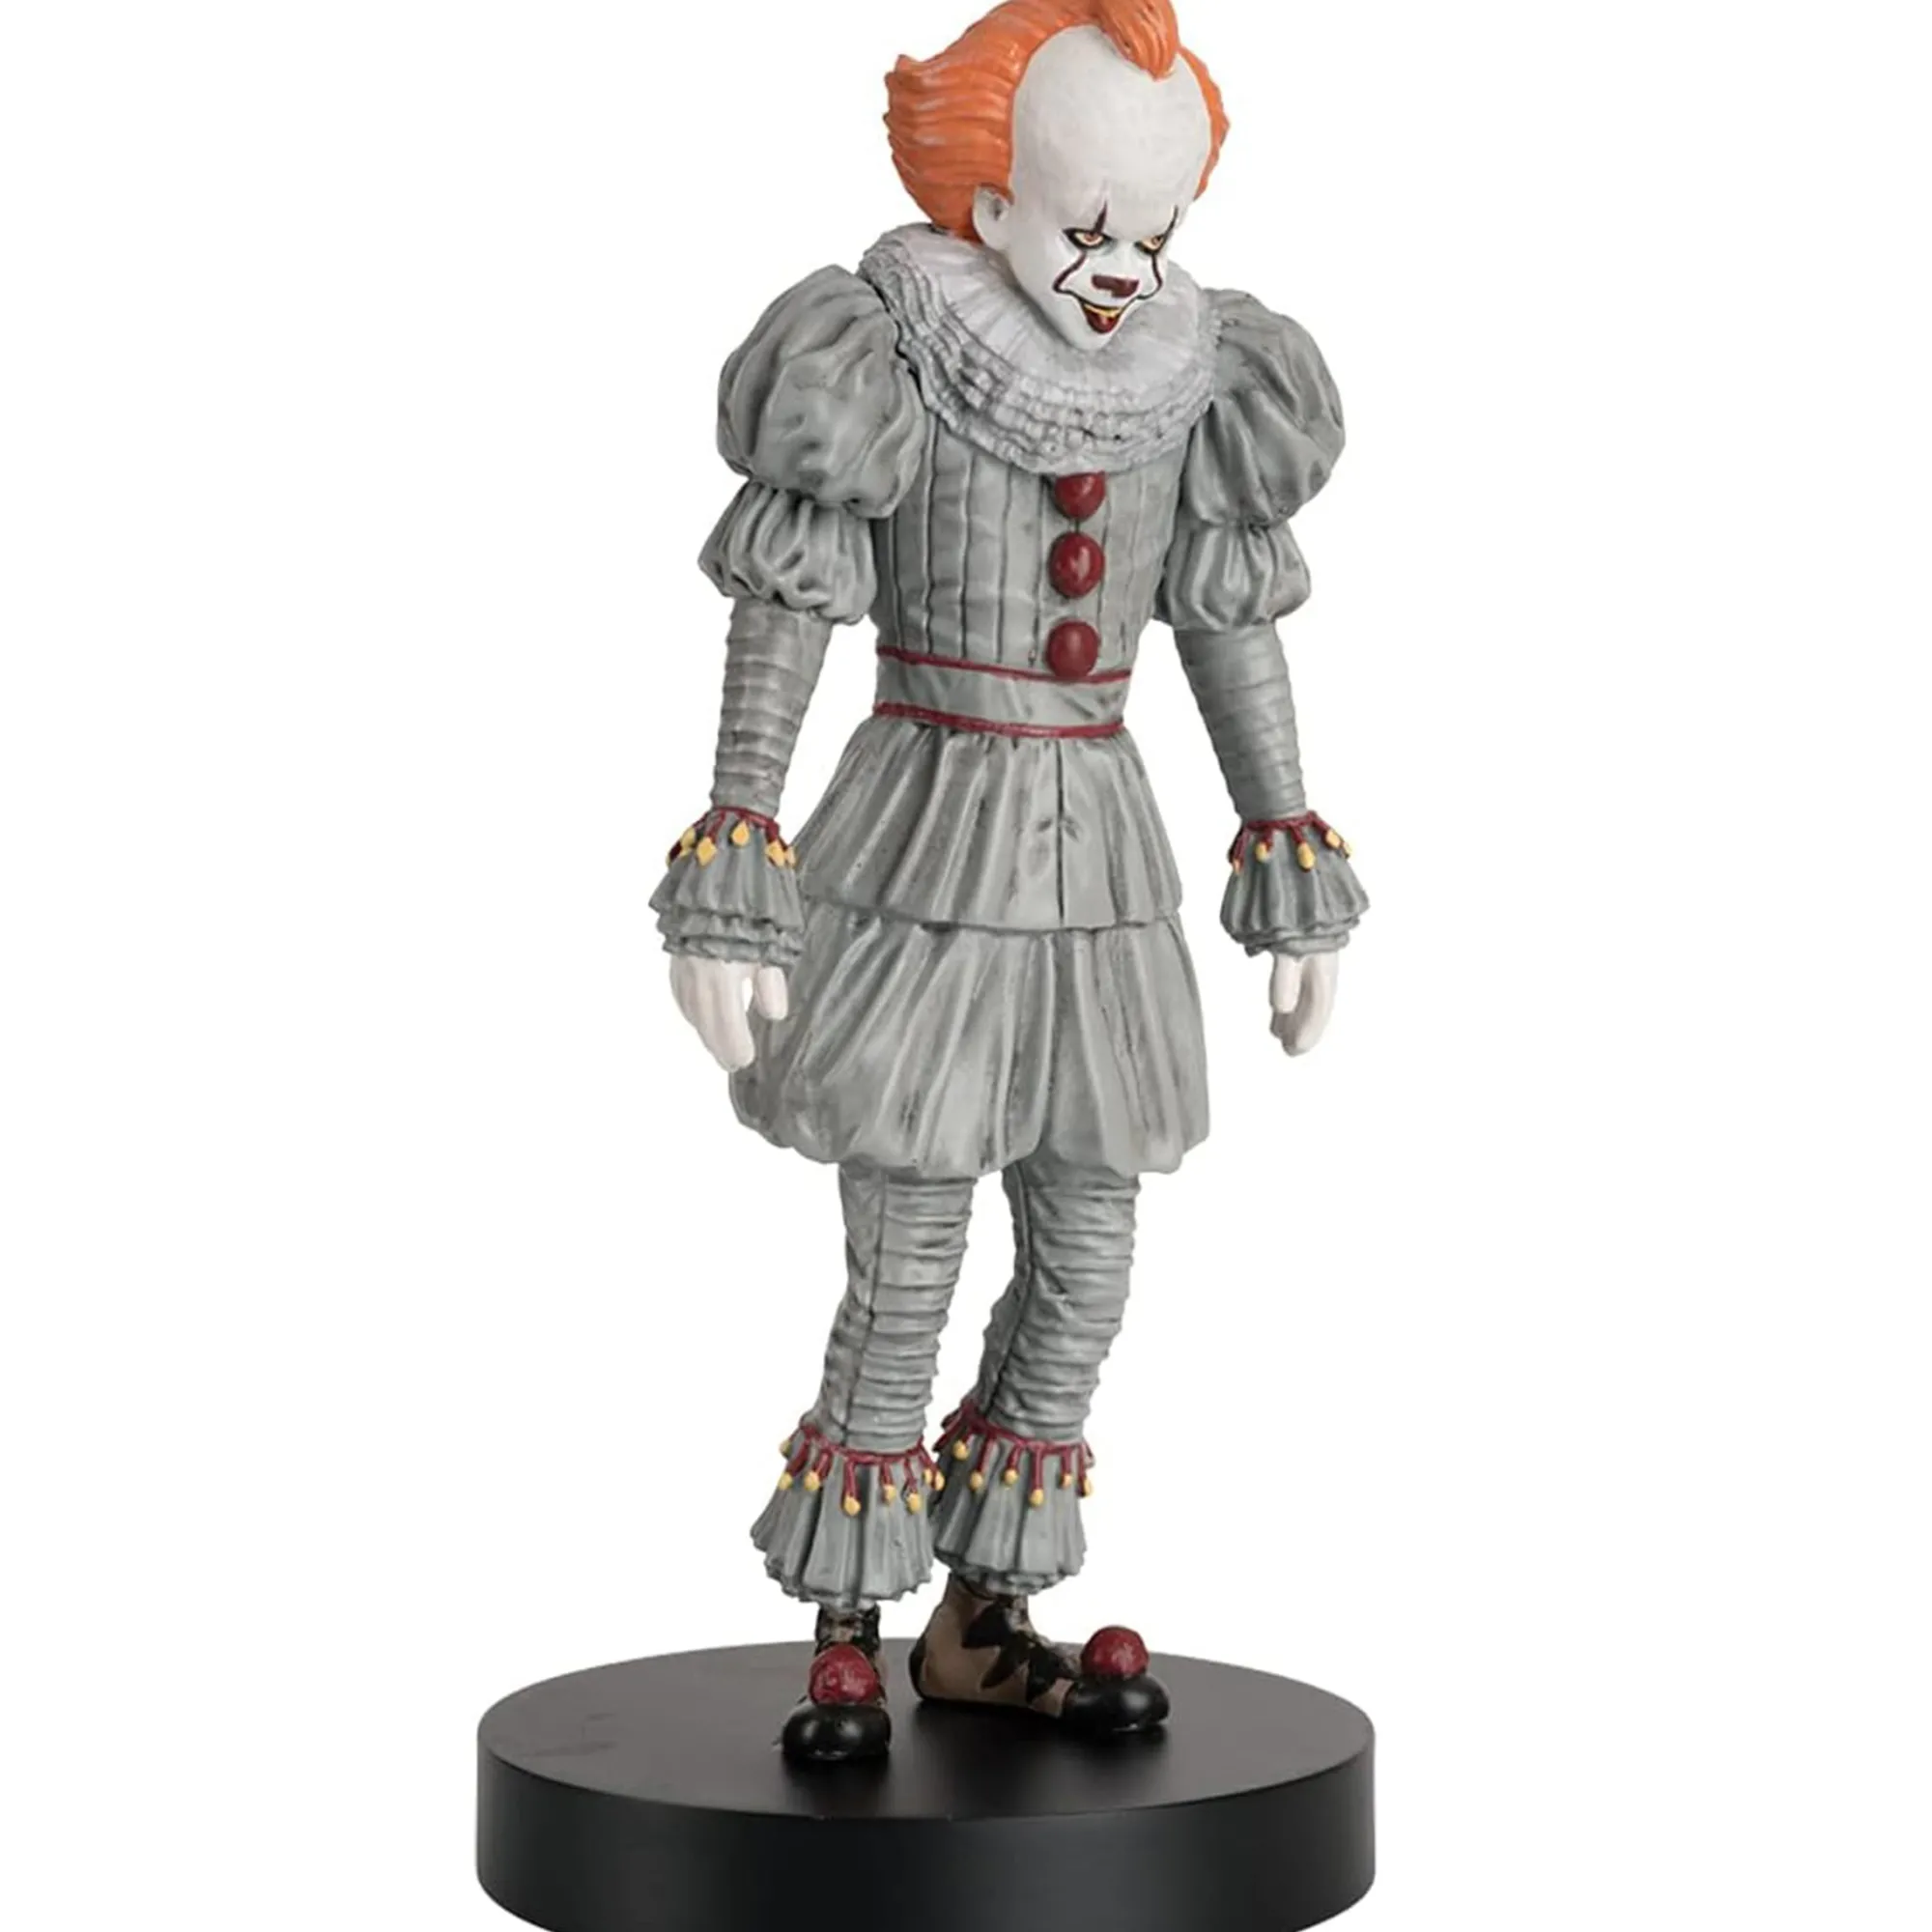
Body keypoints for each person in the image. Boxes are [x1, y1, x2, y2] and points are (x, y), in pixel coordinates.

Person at [650, 0, 1368, 1763]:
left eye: (1155, 231)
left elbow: (1226, 626)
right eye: (1086, 224)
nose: (1122, 270)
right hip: (929, 831)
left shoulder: (1200, 375)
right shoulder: (895, 346)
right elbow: (792, 602)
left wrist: (1286, 842)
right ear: (987, 202)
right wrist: (736, 847)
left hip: (1098, 857)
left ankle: (986, 1613)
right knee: (907, 1249)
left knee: (1090, 1250)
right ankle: (848, 1622)